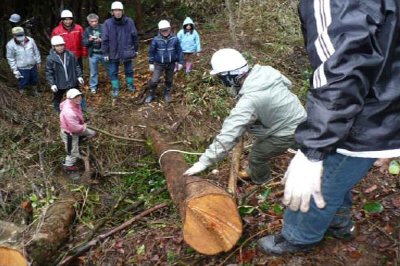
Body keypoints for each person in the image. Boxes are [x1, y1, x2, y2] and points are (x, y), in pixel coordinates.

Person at [257, 0, 400, 255]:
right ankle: (338, 221)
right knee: (339, 175)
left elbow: (341, 72)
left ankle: (300, 237)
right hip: (383, 107)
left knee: (322, 178)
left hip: (365, 115)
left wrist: (313, 149)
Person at [183, 48, 306, 184]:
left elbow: (229, 134)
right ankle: (306, 154)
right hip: (300, 116)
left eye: (221, 77)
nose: (221, 81)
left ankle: (262, 182)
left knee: (257, 155)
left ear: (229, 76)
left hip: (287, 131)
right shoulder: (266, 72)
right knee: (302, 144)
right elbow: (289, 84)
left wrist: (203, 162)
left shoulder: (250, 100)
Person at [102, 1, 139, 100]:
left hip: (127, 50)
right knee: (113, 71)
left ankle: (130, 85)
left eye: (119, 10)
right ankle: (115, 88)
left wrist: (136, 49)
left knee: (129, 70)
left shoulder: (129, 21)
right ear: (112, 12)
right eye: (115, 10)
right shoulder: (107, 23)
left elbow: (135, 36)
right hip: (113, 52)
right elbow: (104, 39)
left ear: (123, 11)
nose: (117, 12)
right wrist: (105, 52)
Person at [146, 20, 184, 103]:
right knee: (154, 80)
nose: (165, 32)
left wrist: (180, 62)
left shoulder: (175, 39)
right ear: (160, 30)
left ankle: (166, 94)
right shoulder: (156, 40)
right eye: (163, 30)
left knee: (169, 80)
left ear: (170, 29)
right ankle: (151, 94)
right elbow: (151, 52)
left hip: (171, 63)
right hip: (159, 64)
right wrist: (151, 63)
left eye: (167, 29)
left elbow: (179, 51)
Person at [60, 88, 96, 172]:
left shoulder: (74, 104)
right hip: (70, 133)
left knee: (92, 133)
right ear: (70, 99)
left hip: (77, 127)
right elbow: (74, 128)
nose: (78, 98)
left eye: (79, 96)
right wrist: (84, 126)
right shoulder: (69, 112)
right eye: (75, 97)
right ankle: (68, 166)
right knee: (73, 152)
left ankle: (79, 142)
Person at [45, 35, 84, 112]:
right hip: (59, 83)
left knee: (77, 95)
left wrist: (79, 76)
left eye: (62, 45)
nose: (60, 47)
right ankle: (57, 112)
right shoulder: (50, 58)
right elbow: (49, 72)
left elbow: (77, 66)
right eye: (58, 46)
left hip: (72, 80)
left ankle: (82, 109)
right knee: (57, 97)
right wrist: (52, 84)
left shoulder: (71, 54)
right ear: (53, 47)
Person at [6, 26, 41, 95]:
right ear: (13, 35)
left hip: (32, 65)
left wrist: (38, 61)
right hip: (22, 68)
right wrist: (14, 70)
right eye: (18, 35)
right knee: (23, 81)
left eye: (21, 35)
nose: (20, 37)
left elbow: (36, 51)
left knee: (34, 79)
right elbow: (10, 58)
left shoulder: (31, 40)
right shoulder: (10, 45)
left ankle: (35, 91)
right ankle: (23, 93)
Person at [83, 13, 109, 94]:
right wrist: (89, 40)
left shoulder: (104, 28)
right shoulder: (87, 30)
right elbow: (84, 42)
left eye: (95, 21)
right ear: (88, 22)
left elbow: (110, 39)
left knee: (110, 68)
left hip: (104, 53)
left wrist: (101, 40)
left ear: (98, 20)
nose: (94, 23)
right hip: (93, 54)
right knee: (93, 72)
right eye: (92, 21)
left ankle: (114, 83)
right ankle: (93, 87)